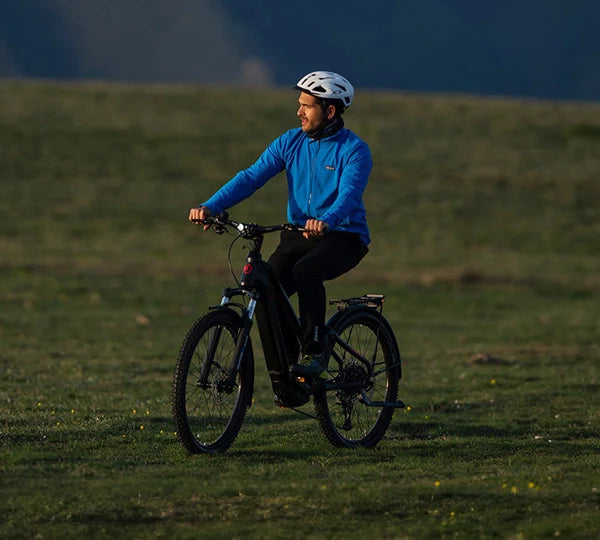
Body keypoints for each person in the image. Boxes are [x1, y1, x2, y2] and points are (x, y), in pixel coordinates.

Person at [189, 70, 372, 379]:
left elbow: (349, 196)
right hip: (298, 235)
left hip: (343, 236)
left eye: (307, 106)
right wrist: (211, 206)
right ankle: (288, 373)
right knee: (266, 291)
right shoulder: (290, 142)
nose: (298, 111)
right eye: (299, 104)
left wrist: (326, 221)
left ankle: (314, 353)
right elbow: (250, 177)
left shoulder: (354, 150)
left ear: (329, 111)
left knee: (306, 272)